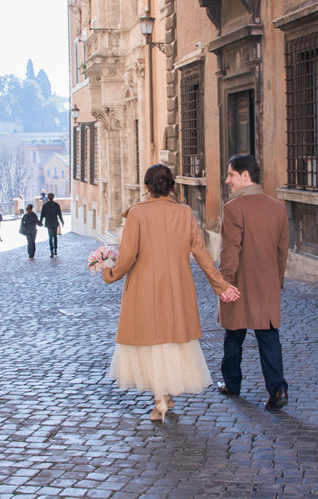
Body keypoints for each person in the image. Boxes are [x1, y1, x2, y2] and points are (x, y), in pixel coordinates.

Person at [102, 164, 241, 421]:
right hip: (178, 288)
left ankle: (159, 401)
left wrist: (109, 272)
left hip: (144, 289)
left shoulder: (137, 214)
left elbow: (127, 256)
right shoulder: (185, 213)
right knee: (170, 341)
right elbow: (201, 253)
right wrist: (220, 285)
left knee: (151, 344)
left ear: (146, 187)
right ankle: (165, 396)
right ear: (171, 187)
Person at [216, 154, 291, 409]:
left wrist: (224, 284)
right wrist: (276, 281)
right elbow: (283, 251)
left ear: (245, 176)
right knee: (269, 337)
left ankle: (232, 383)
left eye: (231, 175)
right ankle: (278, 389)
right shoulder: (278, 207)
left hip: (239, 284)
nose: (228, 180)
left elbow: (230, 251)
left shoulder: (233, 208)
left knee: (233, 336)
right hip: (267, 284)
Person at [39, 193, 65, 257]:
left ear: (48, 197)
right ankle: (55, 249)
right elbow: (59, 214)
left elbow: (42, 215)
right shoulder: (56, 205)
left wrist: (40, 222)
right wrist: (62, 221)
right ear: (53, 197)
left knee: (50, 237)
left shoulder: (45, 205)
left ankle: (51, 251)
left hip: (48, 223)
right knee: (55, 236)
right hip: (55, 222)